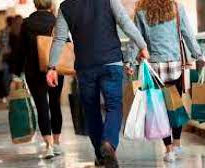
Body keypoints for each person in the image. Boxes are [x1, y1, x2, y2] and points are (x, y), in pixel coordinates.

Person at [46, 0, 149, 167]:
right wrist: (142, 45)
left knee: (91, 111)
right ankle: (108, 144)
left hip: (85, 67)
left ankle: (101, 156)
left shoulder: (66, 7)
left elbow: (59, 38)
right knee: (114, 106)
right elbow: (124, 22)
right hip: (111, 62)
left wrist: (52, 67)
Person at [129, 0, 205, 162]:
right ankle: (177, 144)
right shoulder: (176, 7)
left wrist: (130, 61)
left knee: (160, 110)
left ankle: (168, 149)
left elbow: (135, 38)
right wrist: (199, 55)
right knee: (175, 105)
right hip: (174, 66)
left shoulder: (141, 10)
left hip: (154, 68)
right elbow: (187, 33)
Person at [11, 0, 65, 159]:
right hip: (54, 69)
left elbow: (20, 50)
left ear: (35, 4)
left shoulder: (27, 23)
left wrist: (16, 73)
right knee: (55, 104)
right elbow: (65, 43)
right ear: (49, 5)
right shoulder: (57, 21)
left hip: (33, 71)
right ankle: (57, 143)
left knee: (42, 106)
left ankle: (48, 146)